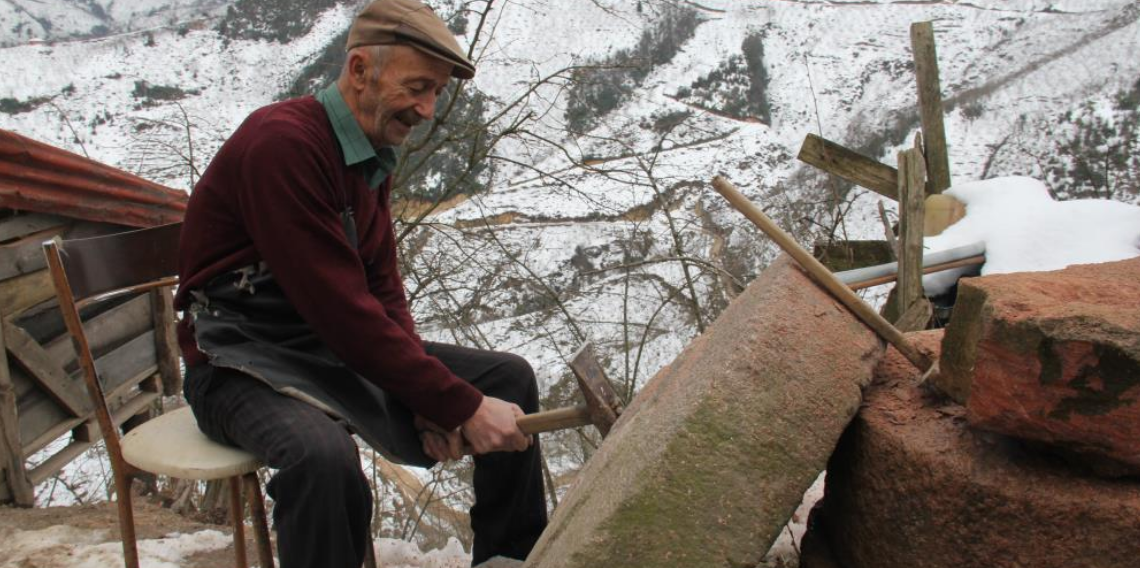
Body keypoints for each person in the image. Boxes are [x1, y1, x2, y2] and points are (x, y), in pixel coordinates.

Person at [173, 1, 548, 566]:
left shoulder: (368, 154)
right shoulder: (283, 145)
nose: (427, 109)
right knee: (320, 458)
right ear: (359, 70)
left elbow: (381, 286)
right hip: (236, 366)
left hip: (323, 352)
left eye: (436, 92)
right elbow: (342, 311)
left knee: (509, 380)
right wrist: (460, 406)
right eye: (418, 87)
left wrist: (427, 399)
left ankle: (510, 561)